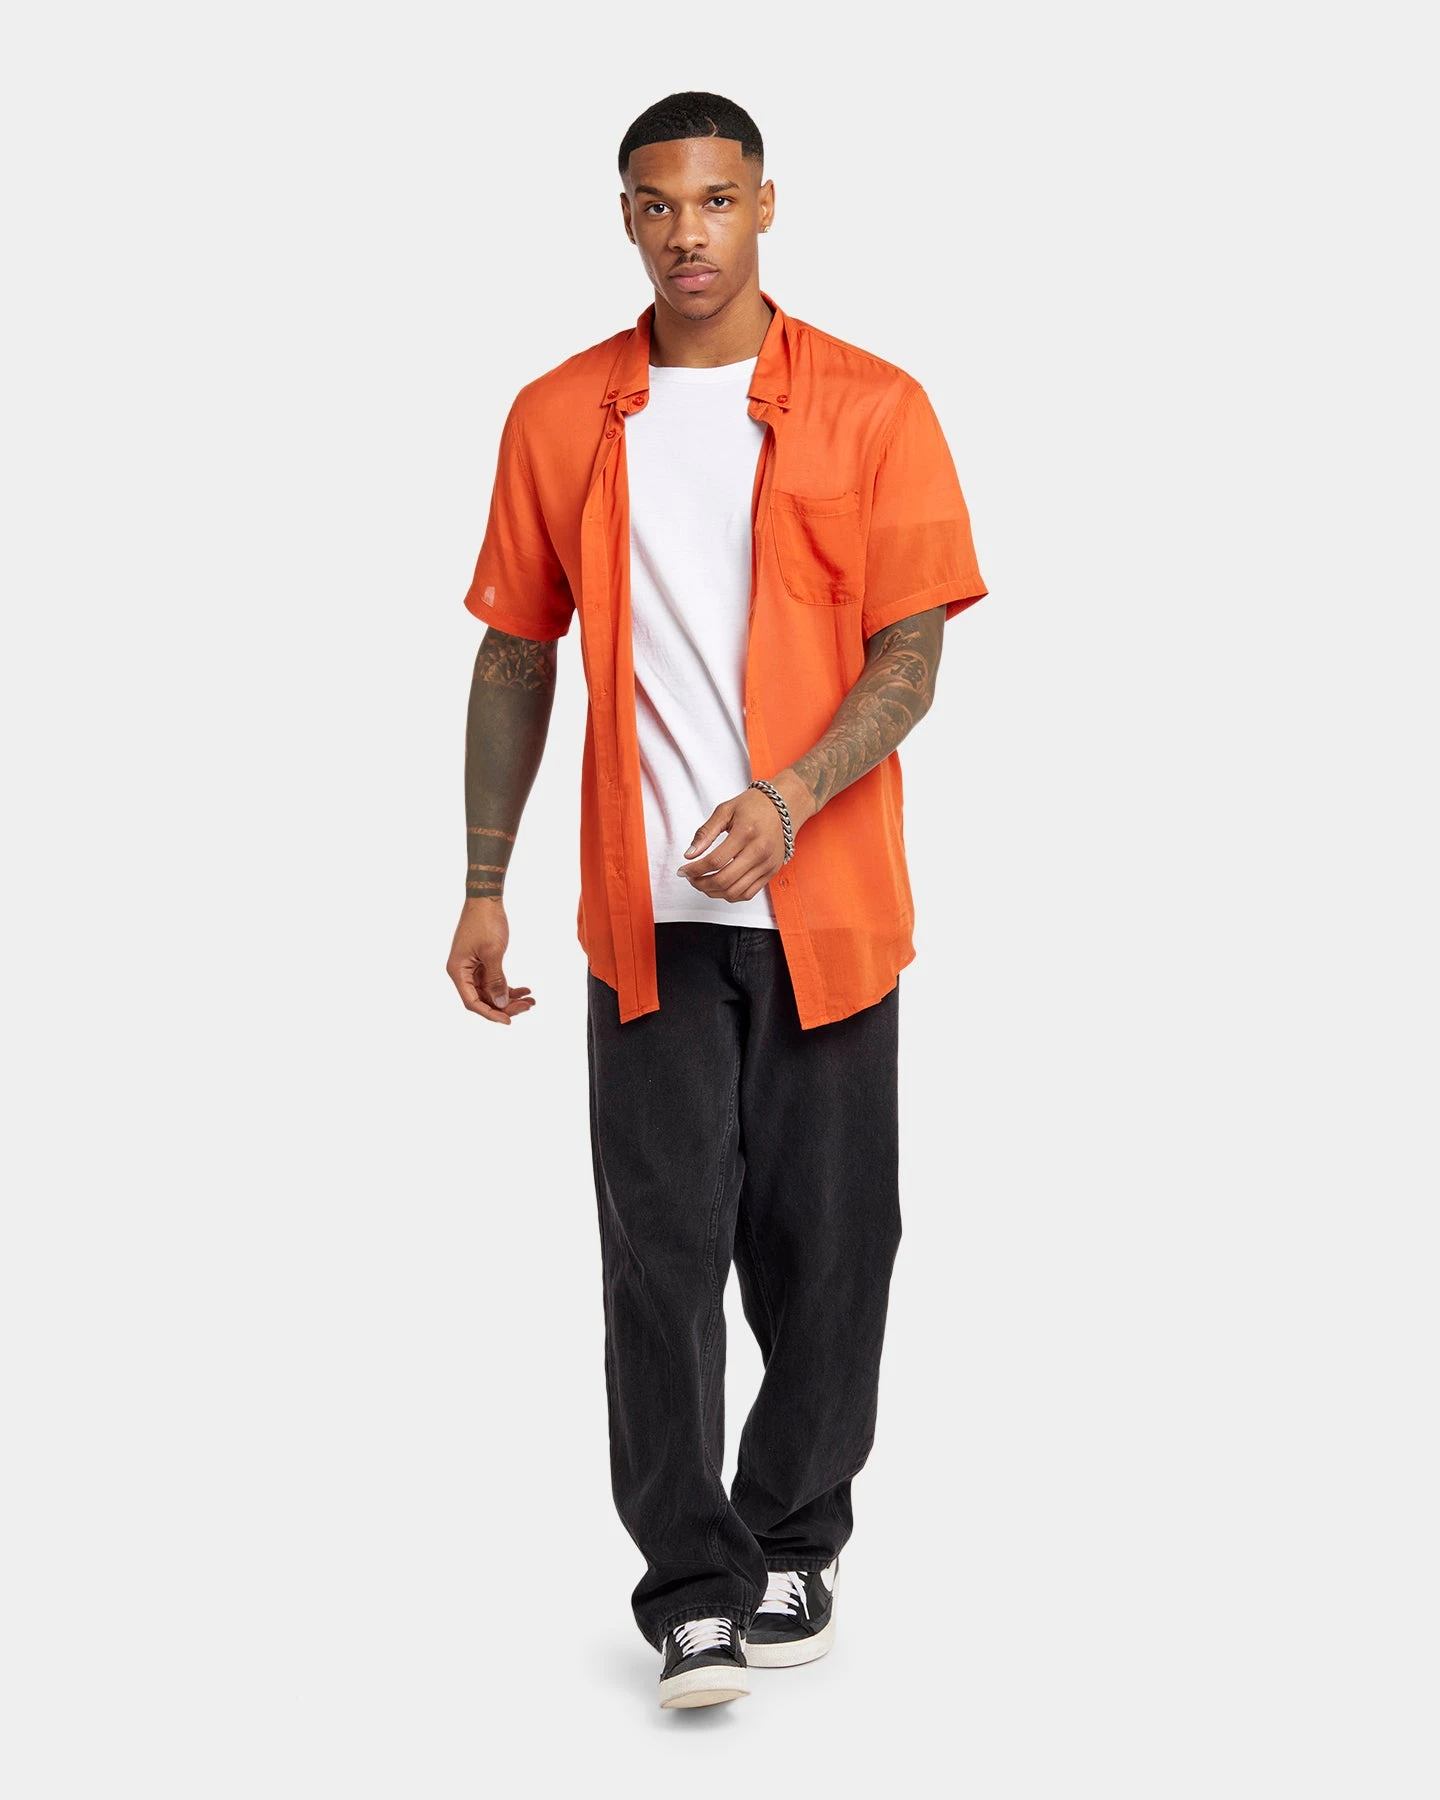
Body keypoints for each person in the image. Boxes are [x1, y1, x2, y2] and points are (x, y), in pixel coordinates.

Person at [447, 91, 987, 1710]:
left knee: (837, 1250)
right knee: (660, 1259)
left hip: (833, 915)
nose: (688, 232)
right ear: (628, 218)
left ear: (765, 205)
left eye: (717, 199)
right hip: (647, 926)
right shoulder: (560, 415)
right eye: (657, 204)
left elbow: (911, 656)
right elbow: (514, 652)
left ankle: (794, 1537)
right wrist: (483, 881)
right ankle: (690, 1588)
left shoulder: (876, 405)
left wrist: (790, 798)